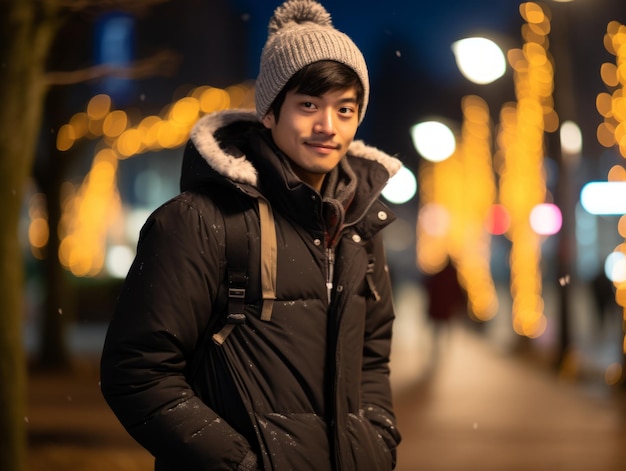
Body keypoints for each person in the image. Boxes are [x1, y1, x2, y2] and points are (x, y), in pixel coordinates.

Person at [100, 1, 402, 469]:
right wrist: (241, 464)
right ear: (269, 112)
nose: (328, 126)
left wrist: (376, 440)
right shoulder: (199, 221)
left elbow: (372, 358)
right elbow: (139, 372)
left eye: (345, 108)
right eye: (308, 105)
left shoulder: (358, 226)